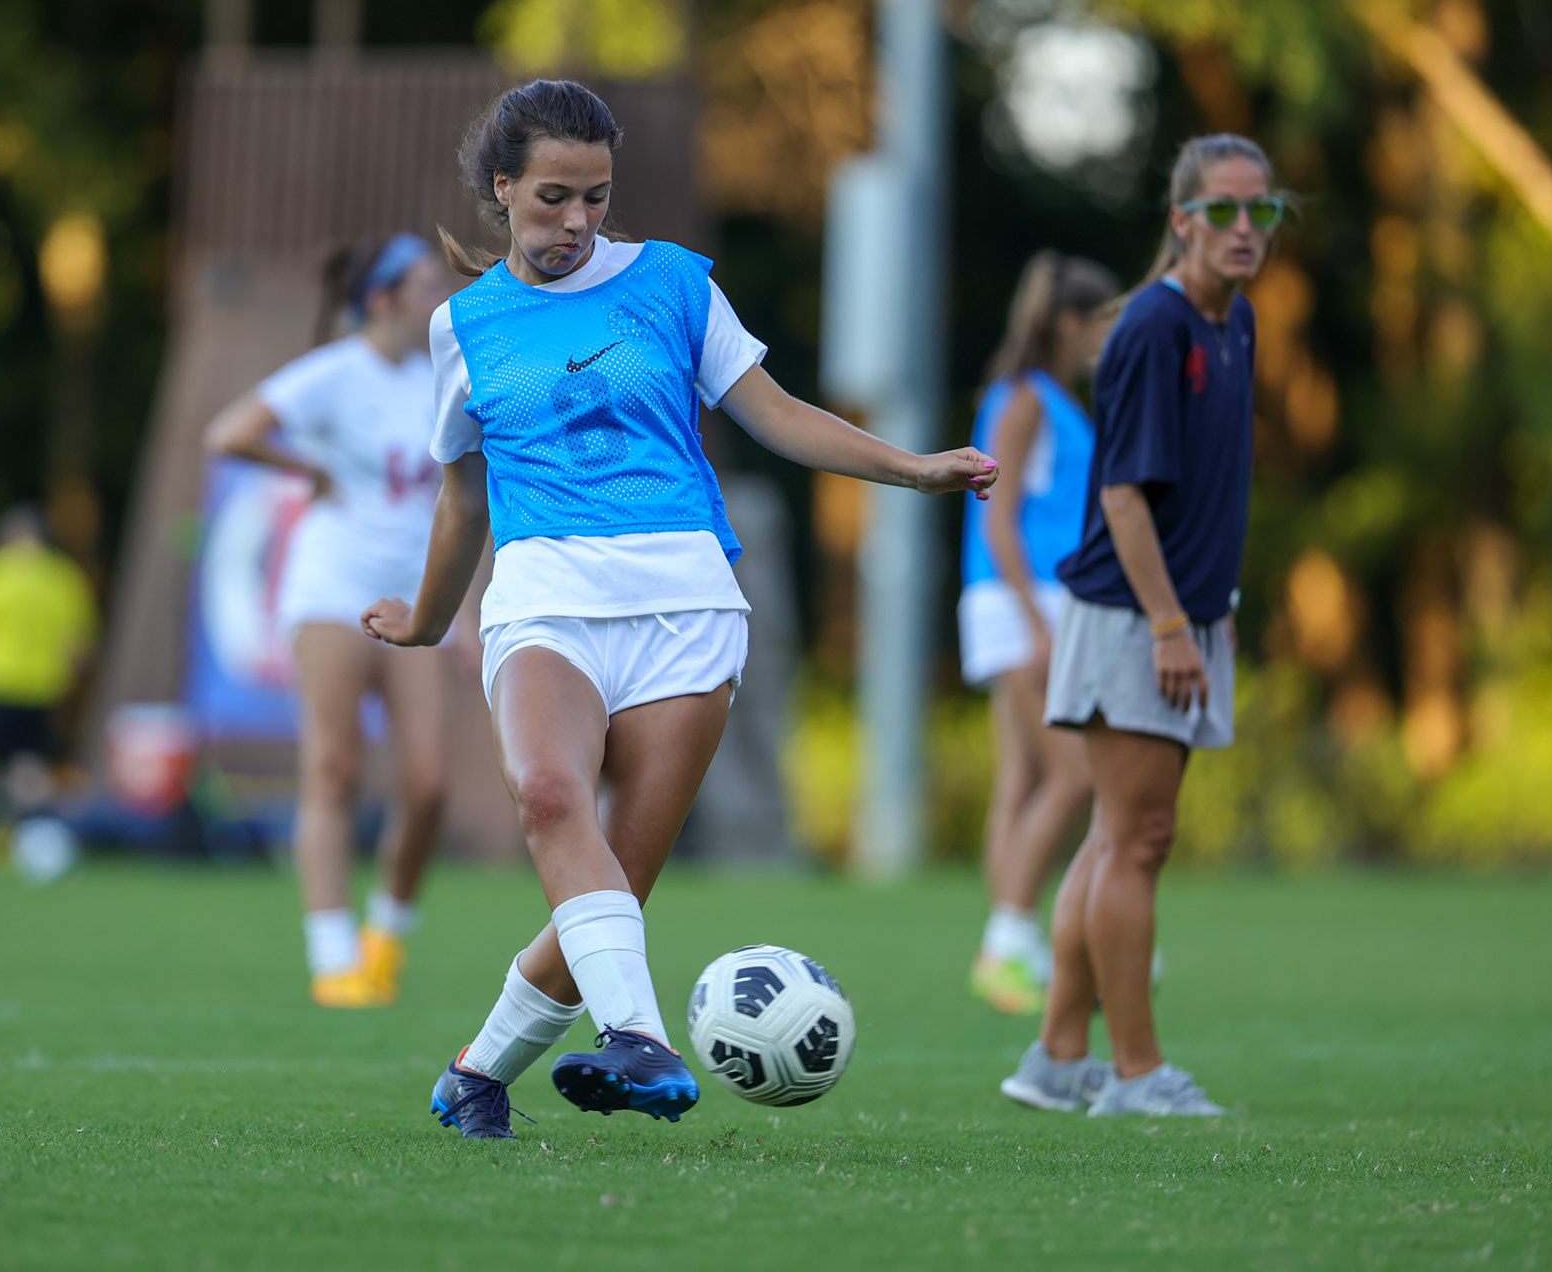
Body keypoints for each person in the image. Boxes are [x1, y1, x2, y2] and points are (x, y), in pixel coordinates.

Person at [360, 78, 997, 1139]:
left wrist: (912, 469)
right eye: (554, 197)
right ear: (503, 188)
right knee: (554, 803)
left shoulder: (672, 285)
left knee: (607, 894)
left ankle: (475, 1074)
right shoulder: (462, 325)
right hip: (544, 596)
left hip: (689, 602)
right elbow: (462, 490)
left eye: (597, 198)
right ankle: (644, 1043)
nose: (576, 221)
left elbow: (778, 414)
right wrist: (428, 620)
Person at [1000, 134, 1283, 1117]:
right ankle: (1134, 1072)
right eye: (1224, 210)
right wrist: (1170, 622)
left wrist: (1218, 609)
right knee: (1138, 838)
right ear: (1182, 220)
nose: (1245, 229)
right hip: (1133, 614)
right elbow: (1124, 497)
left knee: (1121, 837)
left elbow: (1209, 492)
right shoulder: (1153, 328)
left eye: (1262, 211)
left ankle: (1057, 1057)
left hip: (1183, 614)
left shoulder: (1233, 323)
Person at [204, 234, 453, 1009]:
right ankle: (332, 954)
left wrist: (466, 609)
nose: (435, 298)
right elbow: (228, 433)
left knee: (429, 782)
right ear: (381, 300)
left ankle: (386, 934)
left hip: (411, 599)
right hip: (332, 591)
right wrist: (307, 469)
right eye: (420, 287)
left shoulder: (442, 380)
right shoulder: (334, 373)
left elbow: (461, 501)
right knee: (334, 769)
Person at [960, 251, 1120, 1014]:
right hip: (1028, 604)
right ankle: (1011, 941)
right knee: (1076, 777)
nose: (1101, 340)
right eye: (1097, 324)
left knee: (1025, 781)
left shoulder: (1043, 396)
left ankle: (1011, 952)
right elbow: (999, 518)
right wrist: (1034, 621)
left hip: (1021, 604)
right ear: (1067, 322)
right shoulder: (1027, 398)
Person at [0, 505, 98, 867]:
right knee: (28, 766)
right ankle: (26, 841)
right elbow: (81, 647)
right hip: (40, 691)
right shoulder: (62, 577)